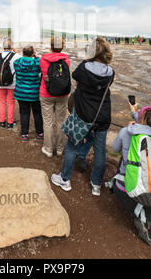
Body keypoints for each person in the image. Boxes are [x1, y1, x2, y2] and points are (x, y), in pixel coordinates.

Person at [51, 37, 114, 195]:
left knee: (72, 145)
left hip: (83, 113)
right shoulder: (110, 72)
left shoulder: (84, 67)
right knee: (100, 151)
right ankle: (96, 185)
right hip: (102, 115)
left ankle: (65, 179)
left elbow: (76, 79)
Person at [110, 104, 151, 245]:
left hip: (126, 192)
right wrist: (133, 111)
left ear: (139, 120)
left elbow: (114, 148)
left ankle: (136, 210)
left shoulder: (126, 132)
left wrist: (127, 129)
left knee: (126, 158)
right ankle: (145, 218)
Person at [39, 36, 71, 158]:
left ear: (51, 46)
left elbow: (42, 72)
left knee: (47, 122)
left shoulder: (43, 59)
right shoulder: (66, 60)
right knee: (60, 121)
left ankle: (48, 149)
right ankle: (59, 149)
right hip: (62, 94)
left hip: (46, 93)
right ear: (61, 46)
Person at [14, 45, 43, 143]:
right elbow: (40, 63)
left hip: (21, 92)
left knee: (24, 113)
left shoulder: (17, 63)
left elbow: (16, 62)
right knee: (37, 114)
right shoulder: (36, 63)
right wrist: (36, 56)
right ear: (32, 53)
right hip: (34, 93)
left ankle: (24, 135)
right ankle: (39, 134)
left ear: (23, 53)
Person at [0, 40, 20, 129]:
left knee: (2, 102)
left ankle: (2, 122)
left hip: (0, 83)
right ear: (11, 46)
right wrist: (16, 52)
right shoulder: (16, 56)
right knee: (11, 103)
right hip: (12, 83)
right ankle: (10, 123)